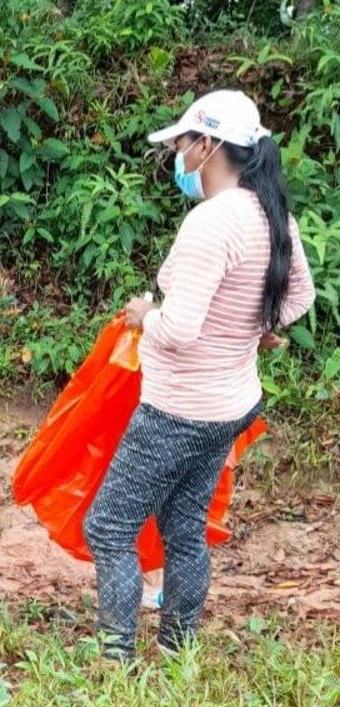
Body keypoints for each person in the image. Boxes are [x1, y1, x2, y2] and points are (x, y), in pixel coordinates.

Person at [84, 90, 316, 660]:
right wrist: (250, 327)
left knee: (109, 527)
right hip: (231, 404)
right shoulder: (271, 212)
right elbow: (298, 297)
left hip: (179, 409)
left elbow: (180, 329)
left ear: (208, 145)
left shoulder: (210, 222)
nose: (178, 157)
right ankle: (178, 644)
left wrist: (146, 317)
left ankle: (116, 657)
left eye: (182, 145)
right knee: (184, 524)